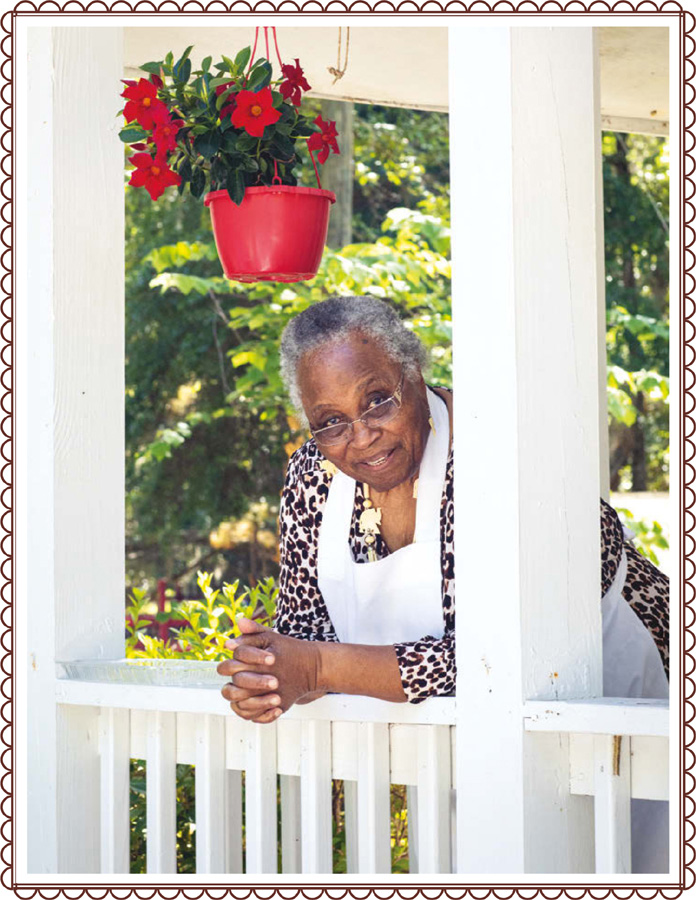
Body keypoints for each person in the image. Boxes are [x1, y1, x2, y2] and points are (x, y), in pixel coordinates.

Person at [217, 295, 669, 869]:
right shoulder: (312, 474)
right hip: (483, 750)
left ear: (415, 374)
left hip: (634, 701)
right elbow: (307, 634)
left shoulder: (495, 451)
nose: (361, 438)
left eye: (377, 400)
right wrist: (268, 673)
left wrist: (319, 668)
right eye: (330, 421)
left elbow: (495, 662)